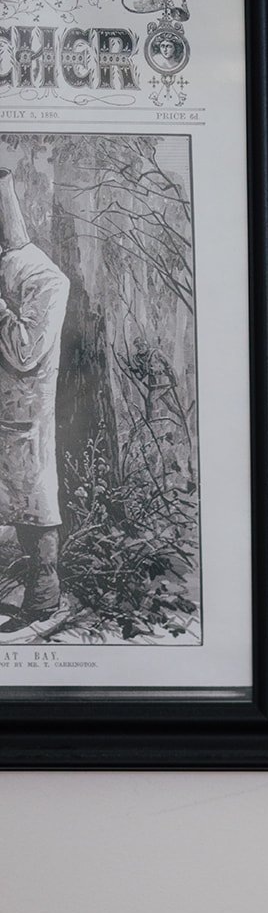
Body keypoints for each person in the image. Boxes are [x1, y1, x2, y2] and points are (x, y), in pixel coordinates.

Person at [0, 168, 69, 639]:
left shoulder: (43, 275)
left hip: (22, 416)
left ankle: (44, 603)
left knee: (34, 510)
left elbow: (25, 350)